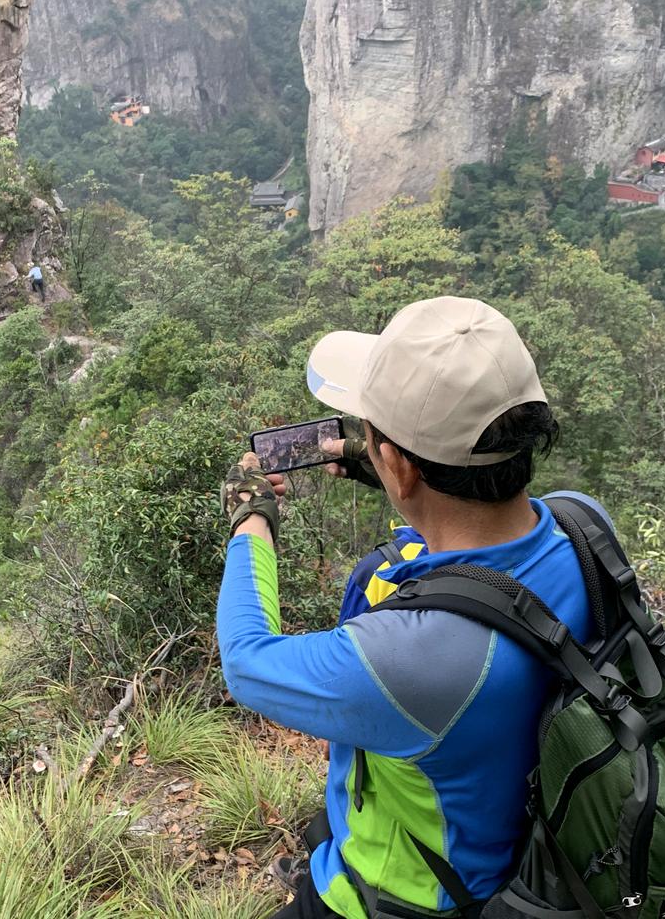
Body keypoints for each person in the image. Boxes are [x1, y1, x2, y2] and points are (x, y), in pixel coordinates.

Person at [217, 297, 605, 919]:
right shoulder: (583, 529)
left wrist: (250, 513)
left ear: (401, 465)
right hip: (521, 848)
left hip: (407, 900)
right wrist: (386, 468)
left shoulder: (412, 661)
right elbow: (481, 530)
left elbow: (244, 660)